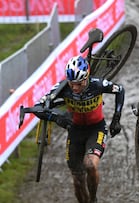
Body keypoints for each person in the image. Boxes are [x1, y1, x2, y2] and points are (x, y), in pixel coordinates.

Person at [34, 55, 124, 203]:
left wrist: (116, 118)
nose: (75, 88)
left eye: (79, 84)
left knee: (90, 164)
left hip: (96, 129)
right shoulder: (62, 88)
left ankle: (93, 199)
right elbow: (39, 108)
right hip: (75, 132)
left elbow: (120, 90)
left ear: (87, 77)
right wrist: (57, 117)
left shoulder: (98, 84)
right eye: (72, 83)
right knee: (78, 180)